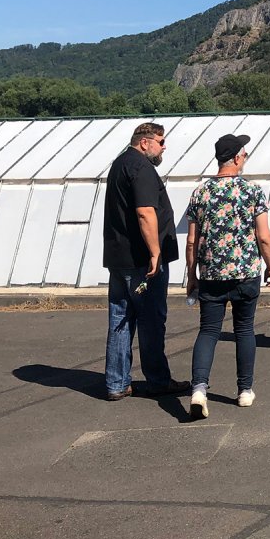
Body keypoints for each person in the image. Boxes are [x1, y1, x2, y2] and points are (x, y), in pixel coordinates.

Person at [184, 134, 270, 419]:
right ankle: (244, 390)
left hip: (211, 273)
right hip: (246, 273)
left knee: (209, 331)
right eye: (244, 154)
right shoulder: (253, 191)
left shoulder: (201, 192)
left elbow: (191, 241)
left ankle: (199, 388)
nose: (245, 158)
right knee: (244, 330)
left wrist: (191, 275)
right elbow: (263, 236)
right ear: (236, 158)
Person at [101, 122, 188, 401]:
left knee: (121, 317)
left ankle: (116, 382)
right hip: (141, 261)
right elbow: (145, 213)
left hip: (119, 258)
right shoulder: (141, 168)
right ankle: (158, 380)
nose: (164, 147)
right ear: (145, 142)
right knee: (151, 320)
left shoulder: (119, 164)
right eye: (161, 142)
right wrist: (155, 252)